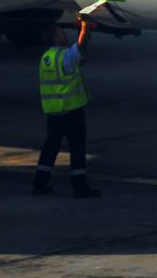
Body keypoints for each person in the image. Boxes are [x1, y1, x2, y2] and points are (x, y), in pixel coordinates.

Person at [32, 17, 101, 197]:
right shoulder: (65, 57)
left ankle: (40, 183)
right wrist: (85, 26)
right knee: (77, 148)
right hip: (71, 110)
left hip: (54, 111)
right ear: (55, 38)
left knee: (51, 146)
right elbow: (81, 45)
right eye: (61, 32)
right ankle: (79, 187)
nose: (64, 34)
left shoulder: (46, 58)